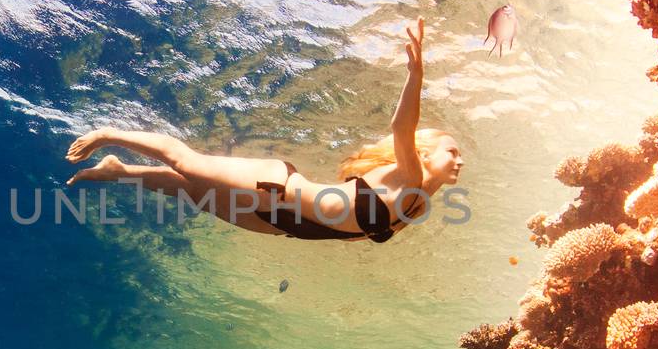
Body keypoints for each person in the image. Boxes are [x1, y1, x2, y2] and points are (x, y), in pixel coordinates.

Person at [65, 18, 463, 242]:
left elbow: (354, 232)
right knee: (187, 162)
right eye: (452, 151)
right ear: (426, 154)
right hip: (276, 187)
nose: (459, 160)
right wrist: (416, 74)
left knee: (190, 192)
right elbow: (402, 126)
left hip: (280, 222)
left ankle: (119, 171)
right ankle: (108, 134)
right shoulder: (410, 176)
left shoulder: (418, 205)